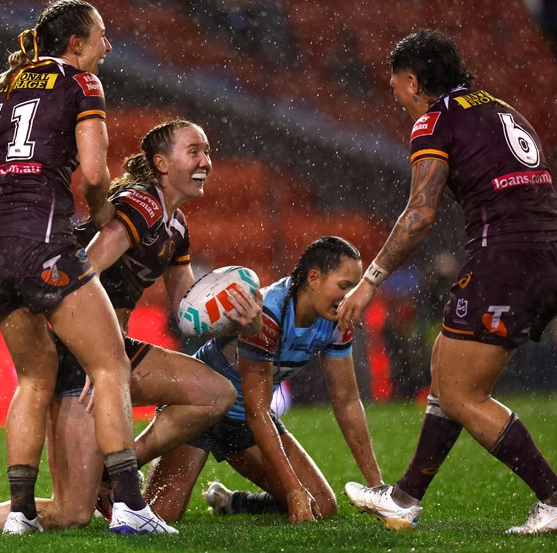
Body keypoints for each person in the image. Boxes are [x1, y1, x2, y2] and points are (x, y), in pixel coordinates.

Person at [0, 120, 261, 535]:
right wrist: (95, 358)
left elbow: (188, 311)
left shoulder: (176, 226)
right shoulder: (140, 206)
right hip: (78, 354)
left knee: (214, 394)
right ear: (162, 163)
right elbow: (85, 271)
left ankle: (115, 467)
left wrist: (237, 316)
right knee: (70, 514)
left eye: (207, 151)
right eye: (195, 151)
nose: (206, 161)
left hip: (112, 353)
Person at [0, 0, 169, 535]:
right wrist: (104, 212)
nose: (108, 46)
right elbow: (93, 171)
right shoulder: (82, 85)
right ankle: (130, 506)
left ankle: (20, 515)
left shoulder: (4, 90)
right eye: (101, 36)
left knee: (34, 377)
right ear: (76, 43)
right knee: (110, 365)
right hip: (41, 240)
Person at [336, 29, 557, 535]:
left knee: (463, 396)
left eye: (396, 90)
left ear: (413, 82)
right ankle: (405, 496)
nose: (397, 101)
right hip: (544, 252)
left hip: (505, 257)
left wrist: (370, 281)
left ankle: (553, 497)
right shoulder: (501, 108)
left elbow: (419, 215)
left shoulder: (435, 121)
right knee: (445, 367)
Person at [142, 236, 384, 523]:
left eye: (354, 288)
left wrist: (377, 489)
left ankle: (235, 502)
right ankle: (116, 483)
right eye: (344, 286)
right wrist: (293, 489)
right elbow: (257, 412)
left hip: (248, 415)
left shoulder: (338, 319)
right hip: (201, 407)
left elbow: (346, 401)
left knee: (323, 506)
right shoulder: (269, 311)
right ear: (314, 278)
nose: (350, 296)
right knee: (161, 515)